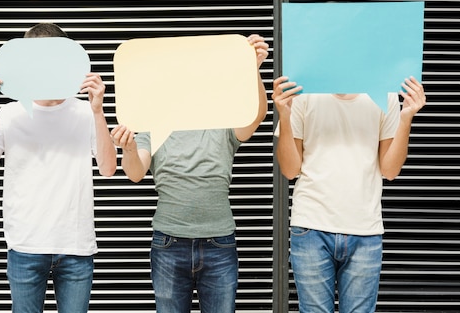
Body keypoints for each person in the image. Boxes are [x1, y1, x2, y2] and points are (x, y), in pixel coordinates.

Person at [109, 34, 269, 313]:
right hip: (168, 242)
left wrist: (252, 69)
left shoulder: (223, 117)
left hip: (219, 243)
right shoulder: (152, 122)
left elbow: (255, 115)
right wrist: (129, 147)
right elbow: (135, 173)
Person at [0, 23, 117, 313]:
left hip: (76, 248)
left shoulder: (86, 111)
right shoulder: (9, 112)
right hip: (25, 246)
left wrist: (99, 111)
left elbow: (109, 168)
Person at [272, 75, 426, 313]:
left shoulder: (384, 94)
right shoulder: (304, 90)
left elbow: (390, 170)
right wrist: (284, 114)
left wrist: (406, 118)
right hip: (311, 226)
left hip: (365, 229)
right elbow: (290, 170)